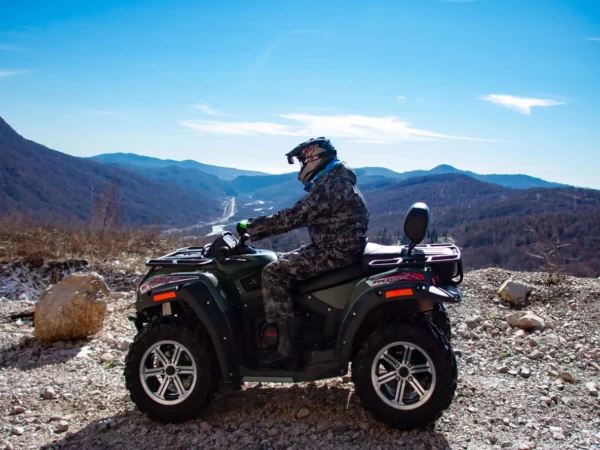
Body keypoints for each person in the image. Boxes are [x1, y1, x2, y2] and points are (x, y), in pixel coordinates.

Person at [237, 137, 369, 366]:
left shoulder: (331, 186)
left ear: (314, 159)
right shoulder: (338, 180)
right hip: (337, 247)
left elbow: (294, 216)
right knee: (283, 259)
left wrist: (251, 227)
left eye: (302, 162)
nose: (301, 167)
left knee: (273, 272)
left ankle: (285, 349)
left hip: (335, 252)